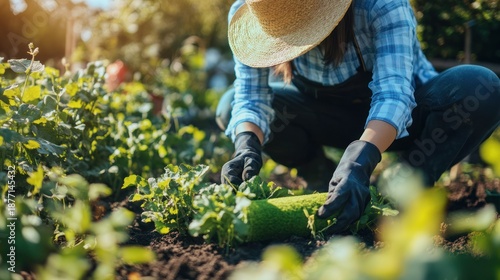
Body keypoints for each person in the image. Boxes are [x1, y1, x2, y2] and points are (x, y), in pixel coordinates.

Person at [216, 0, 500, 233]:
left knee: (479, 87)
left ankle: (402, 187)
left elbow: (394, 96)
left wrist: (360, 158)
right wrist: (246, 145)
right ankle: (322, 177)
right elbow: (250, 97)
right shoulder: (255, 13)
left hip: (405, 119)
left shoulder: (382, 6)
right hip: (326, 118)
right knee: (230, 106)